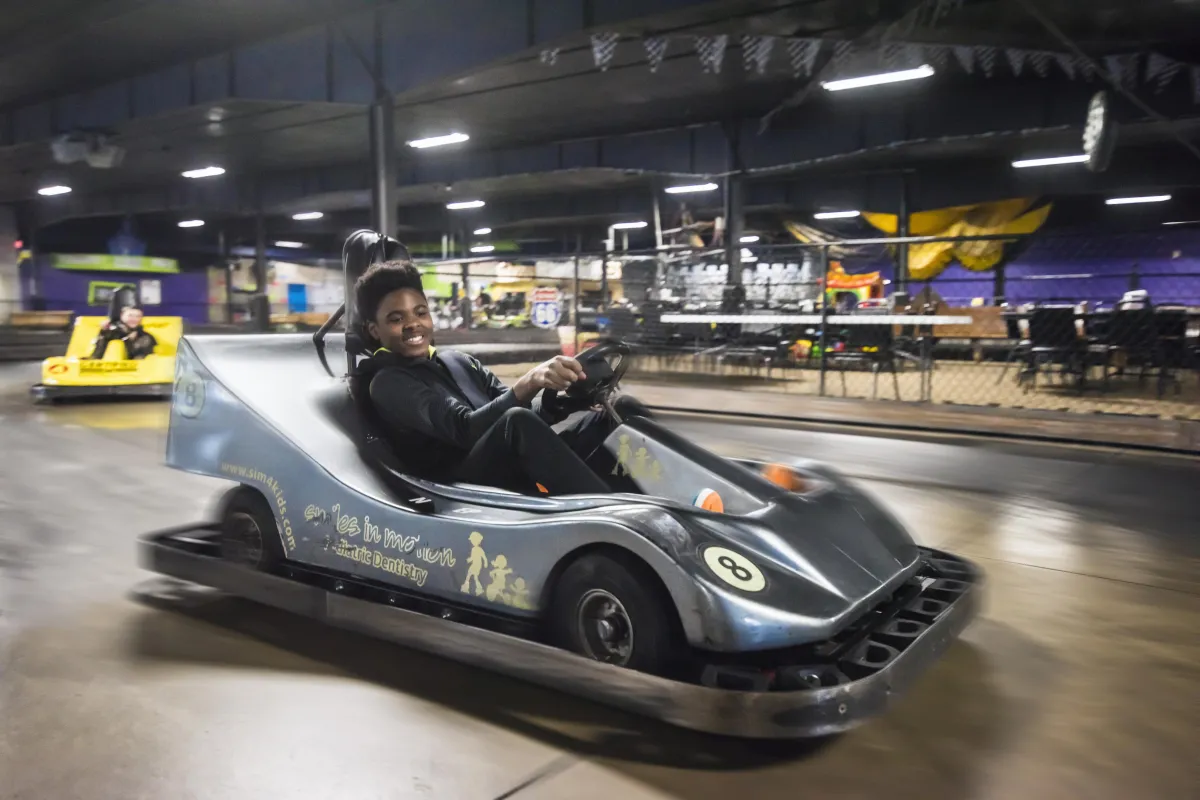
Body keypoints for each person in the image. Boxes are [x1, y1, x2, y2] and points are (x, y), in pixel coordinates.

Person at [354, 259, 647, 496]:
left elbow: (514, 410)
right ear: (374, 330)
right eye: (396, 319)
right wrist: (530, 380)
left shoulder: (458, 360)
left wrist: (571, 402)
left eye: (420, 312)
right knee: (515, 423)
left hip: (501, 461)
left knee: (621, 411)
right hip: (456, 487)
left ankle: (656, 504)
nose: (412, 324)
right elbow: (467, 429)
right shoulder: (388, 382)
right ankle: (615, 523)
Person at [89, 296, 157, 360]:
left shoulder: (146, 337)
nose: (134, 319)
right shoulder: (111, 333)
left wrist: (129, 341)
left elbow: (141, 359)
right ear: (122, 315)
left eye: (138, 316)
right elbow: (97, 354)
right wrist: (103, 331)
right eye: (131, 315)